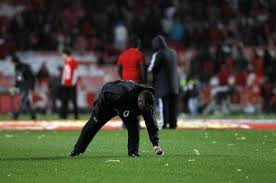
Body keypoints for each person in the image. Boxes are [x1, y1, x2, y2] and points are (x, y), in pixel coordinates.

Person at [70, 80, 163, 157]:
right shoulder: (120, 92)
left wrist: (155, 144)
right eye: (143, 108)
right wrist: (97, 113)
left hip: (126, 108)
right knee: (93, 125)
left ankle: (133, 153)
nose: (145, 111)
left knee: (134, 128)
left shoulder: (147, 103)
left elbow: (151, 122)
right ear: (139, 101)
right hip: (109, 105)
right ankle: (76, 151)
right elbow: (105, 91)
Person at [147, 35, 179, 129]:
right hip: (174, 85)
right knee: (173, 106)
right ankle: (173, 124)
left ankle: (164, 124)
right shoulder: (173, 53)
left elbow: (151, 69)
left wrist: (150, 84)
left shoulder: (159, 54)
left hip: (163, 86)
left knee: (163, 106)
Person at [10, 55, 36, 120]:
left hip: (26, 86)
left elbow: (32, 77)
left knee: (23, 101)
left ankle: (16, 115)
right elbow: (18, 79)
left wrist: (32, 88)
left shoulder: (25, 67)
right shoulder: (17, 68)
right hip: (21, 87)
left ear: (13, 62)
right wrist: (15, 87)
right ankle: (33, 116)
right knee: (27, 103)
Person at [60, 48, 79, 119]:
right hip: (65, 84)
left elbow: (76, 72)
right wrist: (62, 81)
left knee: (73, 100)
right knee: (64, 100)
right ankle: (63, 116)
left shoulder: (73, 61)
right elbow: (65, 73)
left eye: (63, 54)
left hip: (71, 84)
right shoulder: (65, 62)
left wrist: (73, 82)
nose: (62, 56)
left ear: (65, 54)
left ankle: (76, 116)